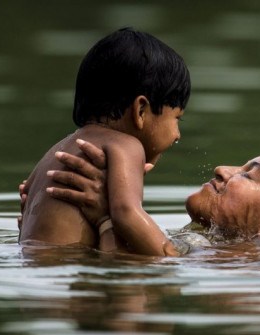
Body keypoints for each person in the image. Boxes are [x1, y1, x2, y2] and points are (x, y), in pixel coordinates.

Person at [19, 28, 191, 256]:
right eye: (176, 118)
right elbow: (126, 213)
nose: (177, 134)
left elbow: (27, 205)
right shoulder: (127, 146)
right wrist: (169, 254)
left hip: (32, 269)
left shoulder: (56, 151)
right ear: (140, 110)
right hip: (71, 271)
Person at [41, 140, 260, 256]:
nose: (223, 169)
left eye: (249, 174)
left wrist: (109, 215)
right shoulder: (216, 246)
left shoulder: (251, 262)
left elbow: (130, 275)